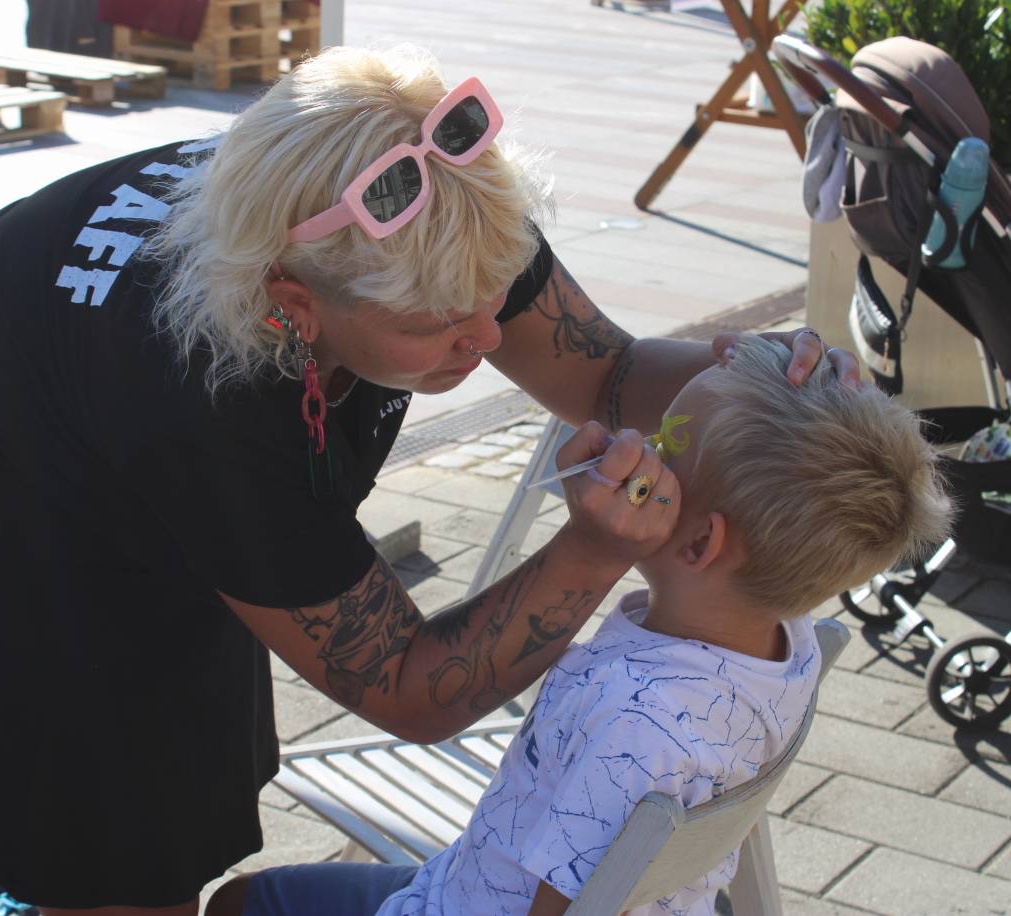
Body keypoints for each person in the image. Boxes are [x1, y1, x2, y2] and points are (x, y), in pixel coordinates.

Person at [0, 46, 857, 916]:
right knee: (109, 852)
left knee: (165, 800)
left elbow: (604, 371)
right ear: (294, 303)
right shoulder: (210, 400)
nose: (486, 337)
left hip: (115, 463)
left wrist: (740, 372)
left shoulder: (436, 203)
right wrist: (591, 550)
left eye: (494, 296)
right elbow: (411, 688)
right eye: (438, 327)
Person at [208, 334, 950, 916]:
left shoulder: (632, 722)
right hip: (505, 879)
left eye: (662, 447)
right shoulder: (792, 645)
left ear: (700, 542)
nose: (637, 448)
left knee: (240, 903)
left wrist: (587, 546)